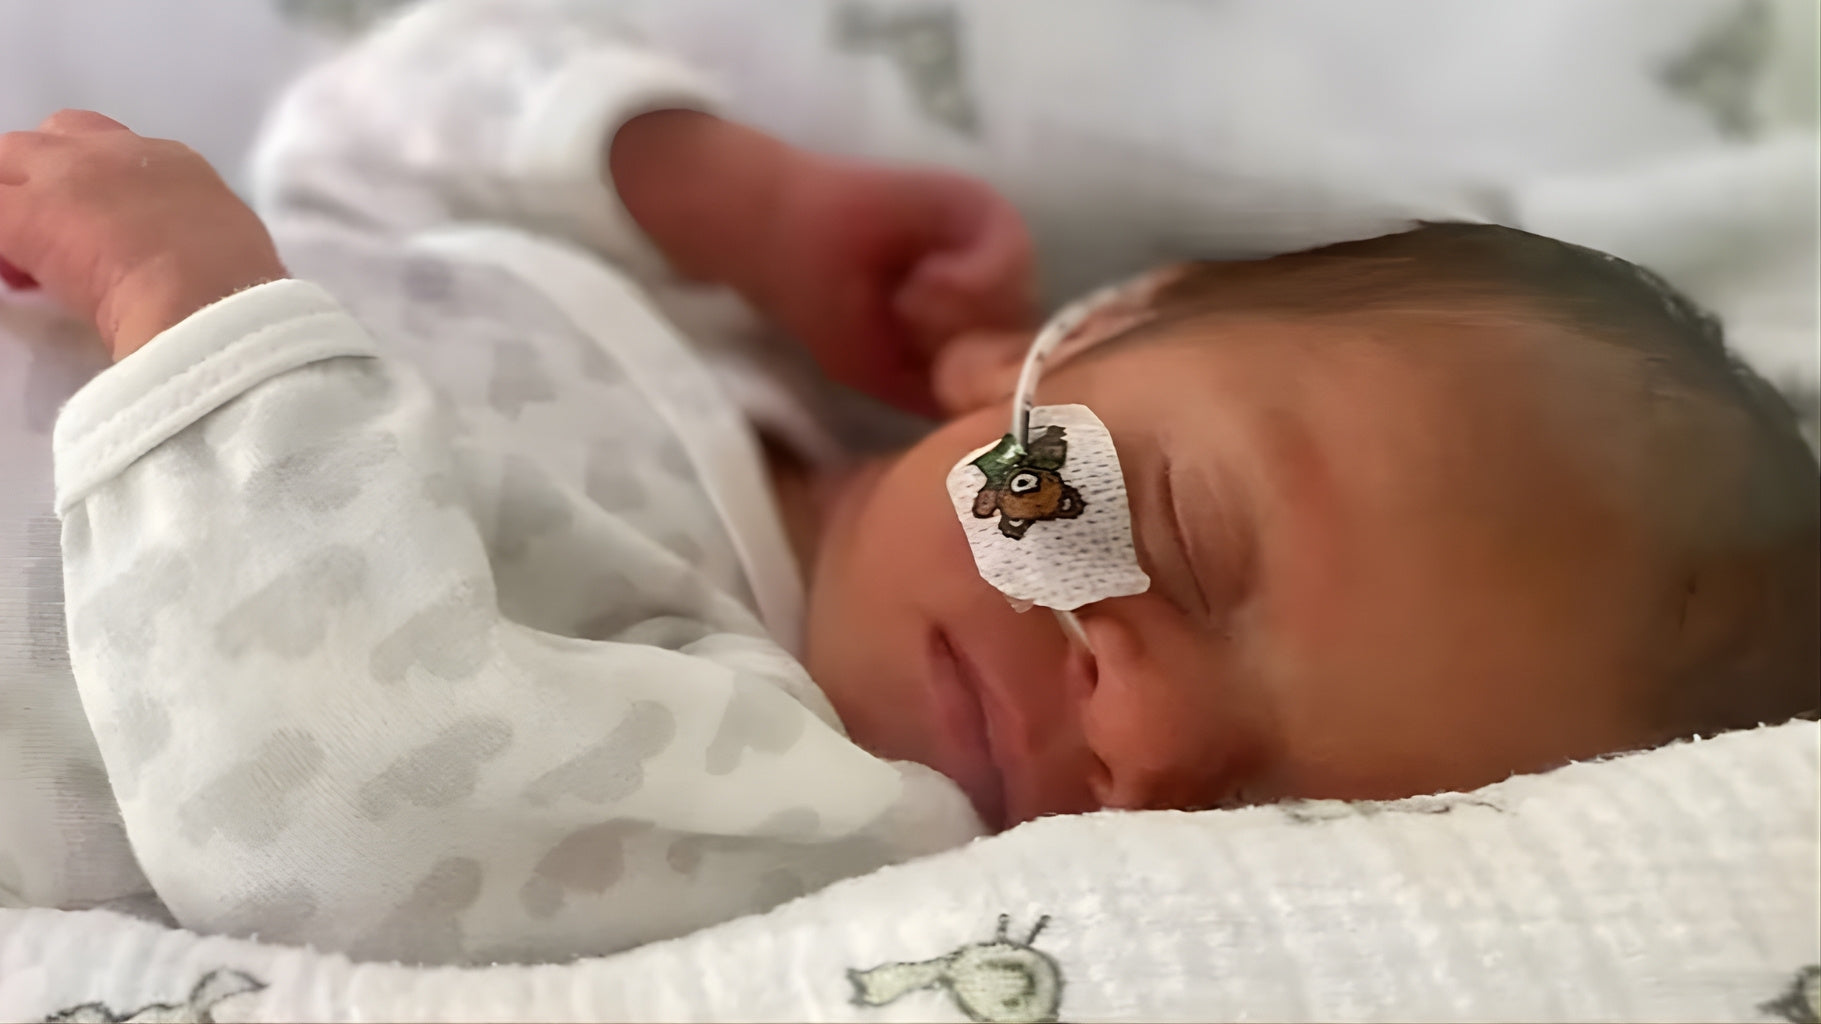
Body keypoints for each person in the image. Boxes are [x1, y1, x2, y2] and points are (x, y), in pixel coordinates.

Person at [0, 0, 1812, 967]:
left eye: (1267, 808)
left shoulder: (786, 788)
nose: (1149, 745)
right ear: (1068, 341)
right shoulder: (693, 331)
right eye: (1165, 542)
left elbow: (338, 812)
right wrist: (714, 189)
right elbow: (361, 137)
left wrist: (190, 311)